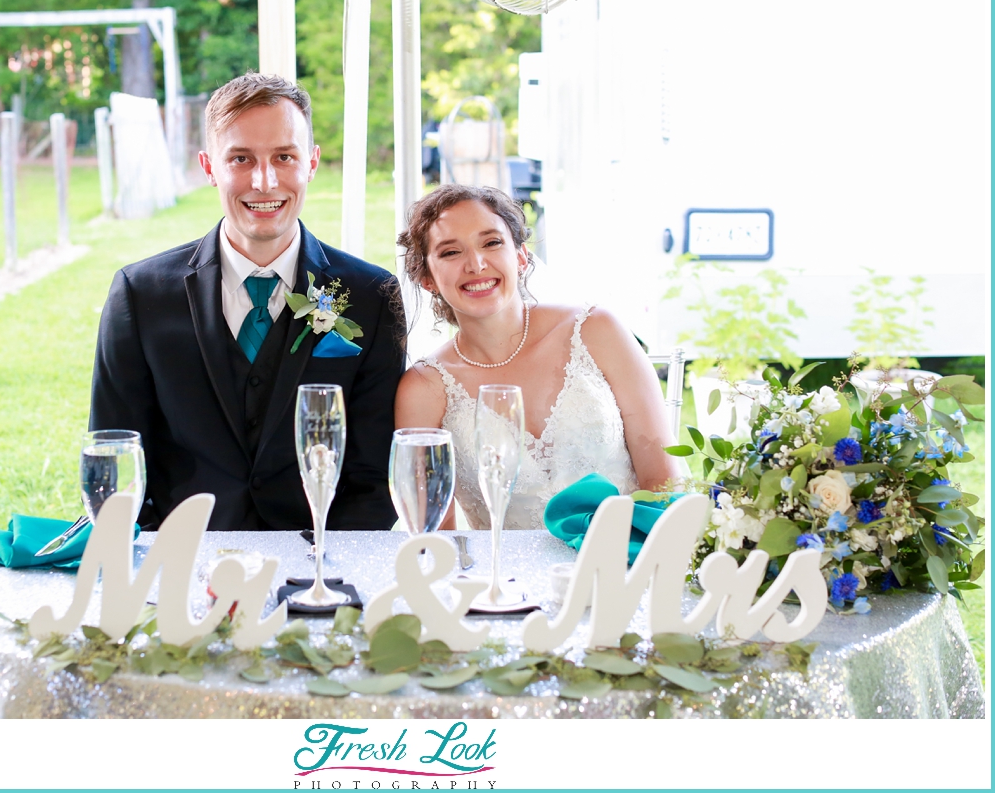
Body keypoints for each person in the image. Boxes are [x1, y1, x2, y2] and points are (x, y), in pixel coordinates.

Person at [89, 73, 405, 531]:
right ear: (208, 166)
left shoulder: (372, 296)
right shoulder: (140, 295)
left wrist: (321, 573)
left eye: (284, 156)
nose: (264, 180)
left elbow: (373, 476)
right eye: (240, 158)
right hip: (182, 565)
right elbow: (114, 462)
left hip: (320, 569)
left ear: (311, 163)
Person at [394, 184, 682, 530]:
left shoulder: (596, 331)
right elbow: (435, 536)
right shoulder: (424, 388)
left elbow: (663, 483)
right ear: (427, 279)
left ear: (520, 255)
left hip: (627, 567)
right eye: (451, 252)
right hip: (500, 580)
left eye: (492, 242)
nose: (476, 264)